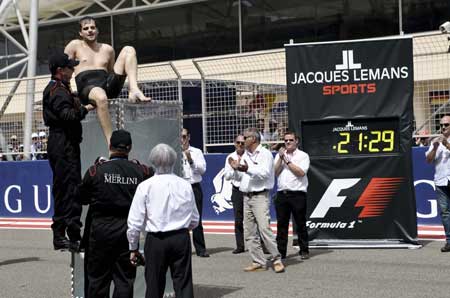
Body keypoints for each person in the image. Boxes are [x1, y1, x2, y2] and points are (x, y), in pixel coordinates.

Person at [78, 129, 152, 298]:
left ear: (110, 146)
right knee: (124, 280)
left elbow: (81, 197)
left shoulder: (96, 171)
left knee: (97, 281)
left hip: (100, 233)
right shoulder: (141, 171)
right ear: (130, 147)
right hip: (127, 231)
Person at [127, 143, 199, 298]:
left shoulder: (145, 186)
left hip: (156, 239)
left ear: (153, 162)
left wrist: (133, 247)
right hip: (181, 237)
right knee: (183, 283)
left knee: (154, 285)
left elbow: (135, 222)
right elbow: (195, 219)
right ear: (173, 161)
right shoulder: (185, 185)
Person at [65, 16, 150, 145]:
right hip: (87, 87)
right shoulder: (74, 45)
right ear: (80, 32)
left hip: (106, 84)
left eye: (93, 27)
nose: (90, 31)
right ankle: (111, 143)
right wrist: (68, 92)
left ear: (97, 30)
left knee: (129, 49)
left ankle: (133, 88)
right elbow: (64, 68)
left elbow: (112, 71)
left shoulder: (108, 49)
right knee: (101, 96)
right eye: (86, 28)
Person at [43, 50, 95, 251]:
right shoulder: (57, 90)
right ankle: (64, 235)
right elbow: (68, 116)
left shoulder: (61, 89)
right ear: (60, 71)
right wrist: (85, 109)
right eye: (69, 67)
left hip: (65, 143)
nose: (73, 70)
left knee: (70, 187)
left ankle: (72, 234)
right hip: (63, 143)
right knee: (67, 188)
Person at [228, 127, 285, 273]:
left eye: (245, 138)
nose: (242, 141)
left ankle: (277, 259)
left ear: (253, 139)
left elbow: (265, 174)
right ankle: (258, 261)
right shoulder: (246, 155)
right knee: (249, 232)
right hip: (246, 196)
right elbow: (242, 177)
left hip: (260, 196)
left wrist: (246, 169)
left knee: (264, 229)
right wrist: (235, 170)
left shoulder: (265, 154)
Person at [274, 131, 310, 260]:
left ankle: (304, 250)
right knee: (281, 224)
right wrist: (280, 158)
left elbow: (300, 173)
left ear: (296, 141)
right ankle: (281, 252)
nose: (288, 142)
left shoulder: (303, 156)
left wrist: (287, 161)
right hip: (282, 194)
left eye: (290, 140)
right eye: (286, 140)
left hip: (297, 194)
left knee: (300, 223)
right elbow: (275, 172)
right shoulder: (280, 156)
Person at [181, 128, 210, 257]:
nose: (182, 139)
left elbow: (202, 170)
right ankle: (183, 249)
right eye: (180, 137)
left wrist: (191, 160)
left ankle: (201, 249)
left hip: (194, 187)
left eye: (184, 136)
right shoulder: (174, 152)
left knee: (197, 219)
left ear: (189, 137)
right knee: (180, 219)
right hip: (180, 188)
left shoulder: (196, 152)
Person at [426, 115, 450, 252]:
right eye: (441, 125)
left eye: (446, 125)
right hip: (441, 181)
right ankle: (449, 241)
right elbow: (428, 160)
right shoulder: (436, 142)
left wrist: (446, 144)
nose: (443, 128)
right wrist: (435, 148)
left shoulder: (444, 142)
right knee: (445, 213)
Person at [224, 134, 246, 254]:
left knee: (255, 219)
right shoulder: (230, 157)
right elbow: (227, 176)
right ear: (234, 143)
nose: (240, 145)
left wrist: (241, 167)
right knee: (238, 220)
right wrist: (233, 168)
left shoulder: (250, 155)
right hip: (237, 190)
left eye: (242, 143)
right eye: (238, 142)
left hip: (249, 189)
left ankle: (262, 245)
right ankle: (240, 245)